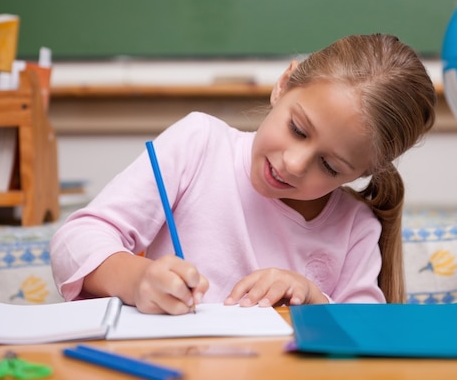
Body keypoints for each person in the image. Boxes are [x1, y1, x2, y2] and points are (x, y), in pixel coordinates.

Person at [50, 34, 436, 315]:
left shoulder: (356, 226)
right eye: (298, 129)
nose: (294, 163)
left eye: (330, 166)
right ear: (283, 85)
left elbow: (367, 332)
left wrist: (311, 295)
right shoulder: (198, 144)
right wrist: (138, 279)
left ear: (364, 171)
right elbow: (76, 241)